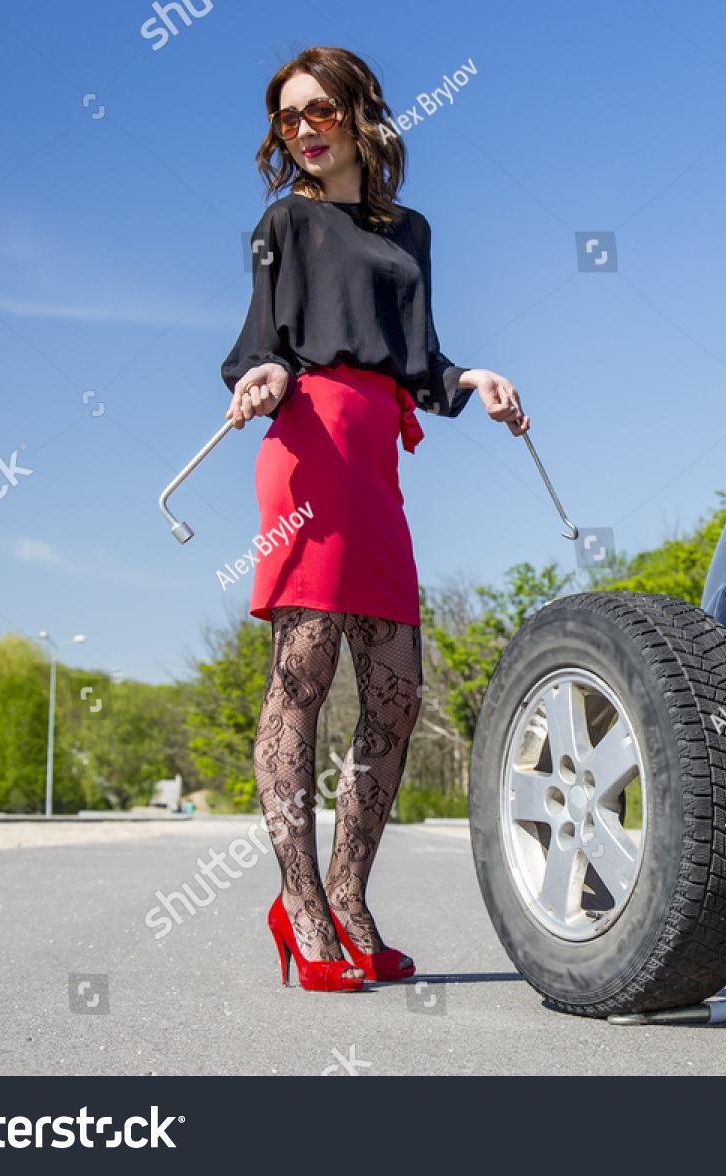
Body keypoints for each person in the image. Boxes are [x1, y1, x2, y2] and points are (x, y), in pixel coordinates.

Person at [221, 46, 528, 992]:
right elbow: (256, 346)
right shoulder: (283, 223)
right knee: (305, 667)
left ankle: (349, 894)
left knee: (396, 687)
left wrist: (470, 379)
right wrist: (263, 377)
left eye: (319, 110)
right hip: (306, 443)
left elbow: (420, 362)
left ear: (357, 112)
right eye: (286, 118)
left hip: (376, 461)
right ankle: (302, 910)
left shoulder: (410, 231)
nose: (303, 129)